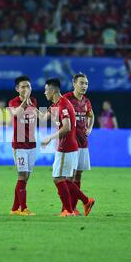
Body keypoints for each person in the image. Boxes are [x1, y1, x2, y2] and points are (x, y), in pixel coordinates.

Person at [41, 78, 95, 217]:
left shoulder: (64, 104)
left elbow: (67, 127)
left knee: (58, 178)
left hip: (66, 145)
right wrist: (27, 104)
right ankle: (75, 206)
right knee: (63, 178)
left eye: (46, 90)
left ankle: (70, 209)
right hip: (69, 145)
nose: (44, 93)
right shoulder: (61, 102)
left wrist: (49, 138)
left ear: (52, 91)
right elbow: (42, 117)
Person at [62, 72, 94, 214]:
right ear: (74, 83)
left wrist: (90, 128)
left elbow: (91, 116)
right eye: (81, 83)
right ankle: (66, 208)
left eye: (86, 83)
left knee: (78, 175)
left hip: (83, 142)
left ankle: (73, 208)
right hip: (70, 143)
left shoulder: (86, 101)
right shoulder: (66, 99)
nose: (84, 86)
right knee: (69, 176)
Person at [8, 76, 38, 216]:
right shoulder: (13, 102)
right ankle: (23, 208)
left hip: (32, 145)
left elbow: (38, 118)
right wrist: (25, 101)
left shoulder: (34, 102)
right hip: (19, 145)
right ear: (17, 89)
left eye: (28, 86)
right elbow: (16, 114)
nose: (26, 89)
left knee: (26, 177)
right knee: (22, 175)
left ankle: (14, 209)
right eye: (23, 87)